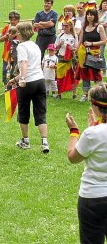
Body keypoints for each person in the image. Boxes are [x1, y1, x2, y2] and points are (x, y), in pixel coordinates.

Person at [66, 82, 107, 244]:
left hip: (93, 197)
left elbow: (72, 157)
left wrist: (74, 131)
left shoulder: (92, 134)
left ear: (95, 106)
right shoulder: (94, 132)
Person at [8, 21, 49, 154]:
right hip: (40, 81)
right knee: (40, 111)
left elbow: (24, 64)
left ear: (22, 33)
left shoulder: (21, 47)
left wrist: (23, 79)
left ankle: (25, 141)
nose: (17, 34)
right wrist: (15, 79)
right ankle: (44, 142)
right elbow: (35, 65)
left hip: (28, 82)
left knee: (23, 111)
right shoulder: (35, 45)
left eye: (18, 32)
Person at [77, 8, 107, 102]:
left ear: (95, 16)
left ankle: (100, 94)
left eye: (91, 15)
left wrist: (92, 44)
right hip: (84, 54)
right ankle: (85, 94)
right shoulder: (84, 26)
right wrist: (75, 49)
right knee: (85, 73)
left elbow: (104, 41)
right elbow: (80, 41)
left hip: (94, 54)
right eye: (88, 15)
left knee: (96, 74)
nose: (89, 17)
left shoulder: (99, 27)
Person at [55, 20, 78, 99]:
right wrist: (59, 45)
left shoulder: (74, 36)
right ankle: (59, 93)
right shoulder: (60, 35)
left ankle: (74, 94)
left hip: (71, 59)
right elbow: (55, 47)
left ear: (70, 26)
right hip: (61, 58)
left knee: (72, 76)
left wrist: (73, 49)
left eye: (66, 26)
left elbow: (76, 48)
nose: (64, 27)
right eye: (63, 26)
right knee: (59, 77)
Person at [0, 11, 21, 85]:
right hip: (7, 54)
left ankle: (15, 86)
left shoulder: (20, 29)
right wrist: (6, 36)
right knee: (5, 71)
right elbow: (0, 39)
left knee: (15, 72)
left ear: (18, 20)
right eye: (11, 20)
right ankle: (6, 86)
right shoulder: (6, 28)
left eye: (14, 20)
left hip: (16, 54)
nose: (12, 21)